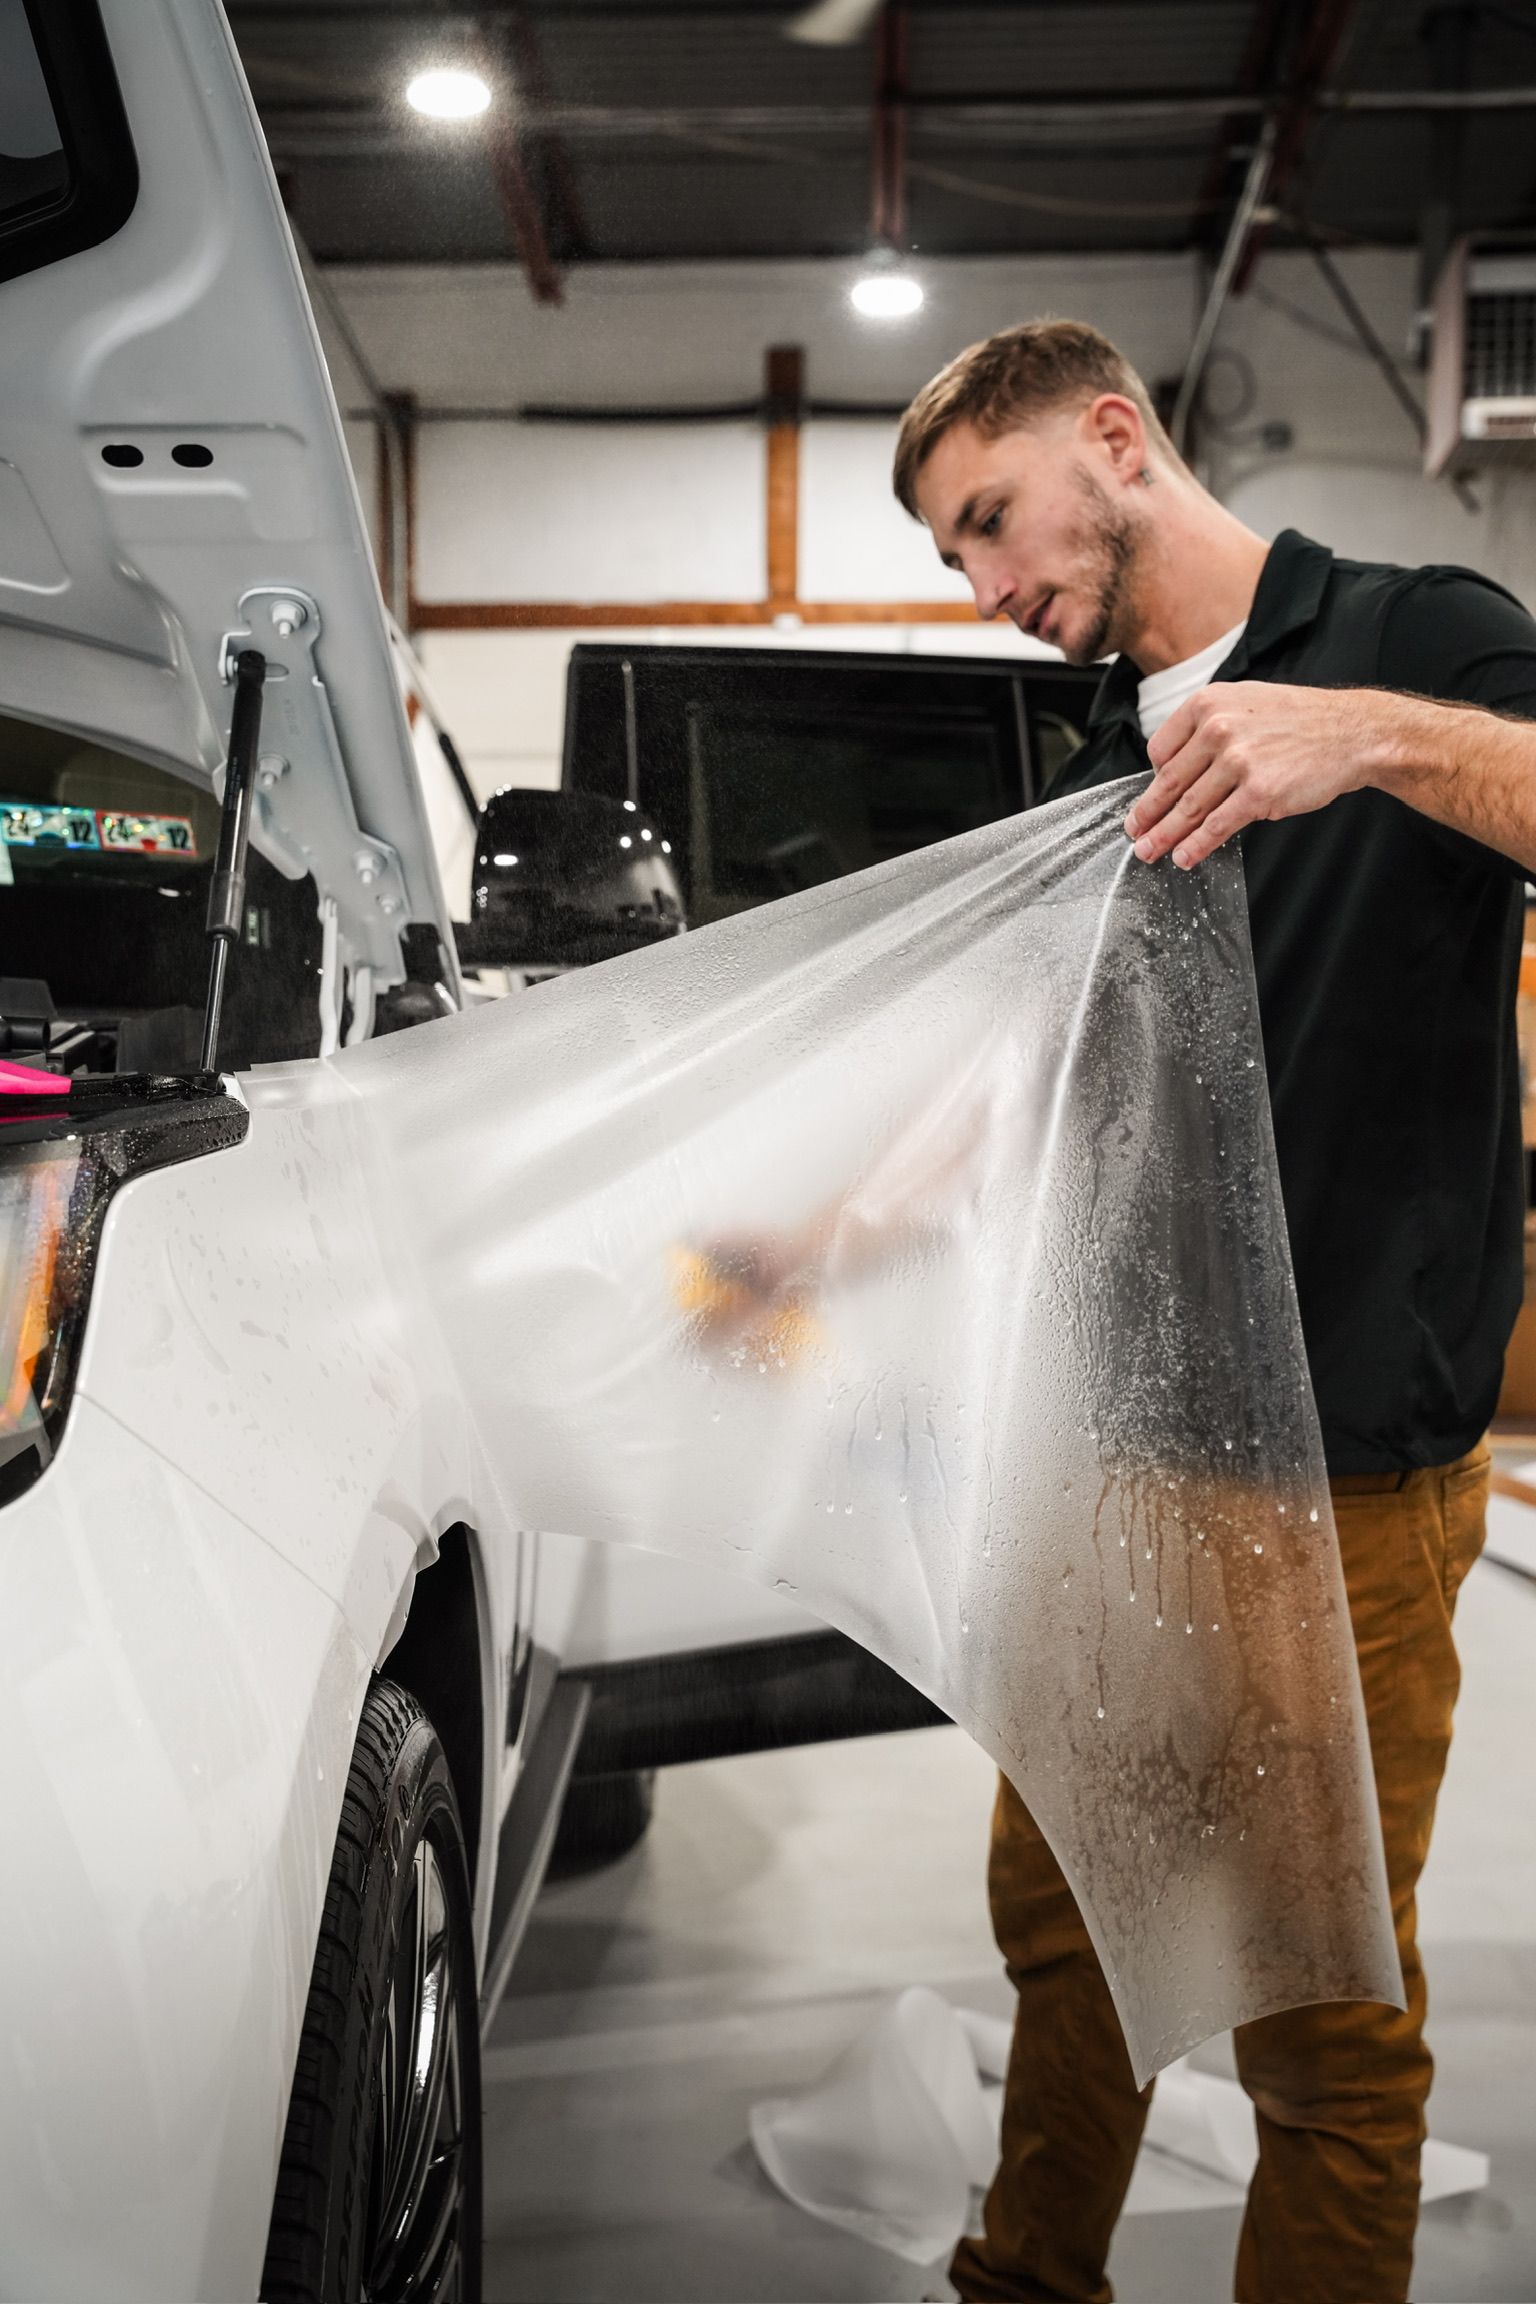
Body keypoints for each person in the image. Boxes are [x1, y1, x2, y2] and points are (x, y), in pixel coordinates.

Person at [887, 319, 1536, 2304]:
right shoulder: (1096, 766)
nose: (989, 590)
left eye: (990, 522)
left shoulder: (1422, 627)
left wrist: (1367, 735)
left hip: (1337, 1483)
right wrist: (816, 1239)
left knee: (1320, 2029)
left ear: (1113, 437)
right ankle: (1025, 2281)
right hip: (1108, 1471)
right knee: (1068, 1939)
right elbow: (1029, 1090)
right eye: (955, 563)